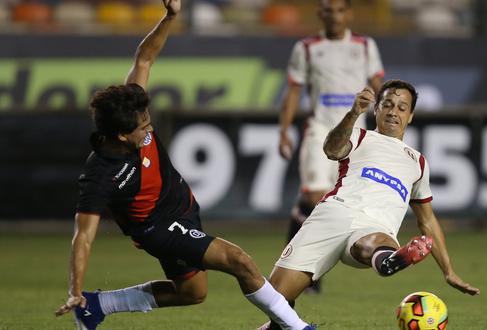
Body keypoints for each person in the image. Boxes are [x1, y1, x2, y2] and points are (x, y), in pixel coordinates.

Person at [53, 1, 315, 330]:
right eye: (143, 128)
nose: (149, 130)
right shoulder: (100, 175)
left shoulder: (130, 108)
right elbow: (83, 237)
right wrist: (73, 289)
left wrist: (170, 17)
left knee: (192, 292)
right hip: (158, 229)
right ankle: (297, 328)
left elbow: (144, 58)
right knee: (240, 261)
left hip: (183, 209)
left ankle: (98, 305)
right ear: (120, 135)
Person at [261, 80, 480, 329]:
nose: (393, 112)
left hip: (374, 227)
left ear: (410, 116)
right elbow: (332, 150)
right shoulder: (358, 134)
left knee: (376, 242)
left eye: (401, 107)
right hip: (333, 214)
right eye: (387, 104)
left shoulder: (418, 162)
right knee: (275, 301)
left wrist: (448, 271)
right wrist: (354, 113)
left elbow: (427, 220)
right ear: (376, 109)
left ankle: (389, 260)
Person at [278, 0, 384, 293]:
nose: (334, 16)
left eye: (340, 10)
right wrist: (284, 130)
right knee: (317, 197)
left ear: (349, 13)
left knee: (332, 202)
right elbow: (294, 91)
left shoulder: (364, 46)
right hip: (321, 130)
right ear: (320, 14)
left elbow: (380, 85)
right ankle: (311, 268)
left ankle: (304, 265)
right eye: (328, 10)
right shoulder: (307, 48)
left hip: (356, 134)